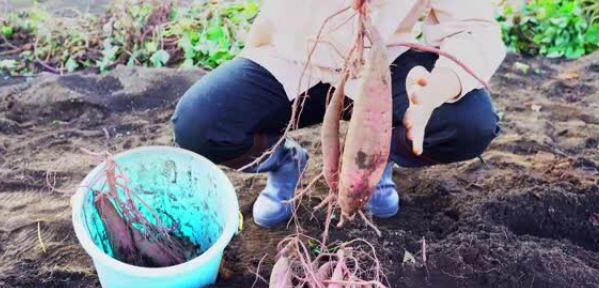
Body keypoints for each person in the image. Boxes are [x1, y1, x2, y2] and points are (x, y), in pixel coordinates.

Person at [172, 0, 506, 228]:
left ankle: (373, 159)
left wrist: (434, 91)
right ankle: (285, 163)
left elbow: (472, 26)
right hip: (294, 57)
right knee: (200, 123)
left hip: (382, 59)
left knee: (470, 124)